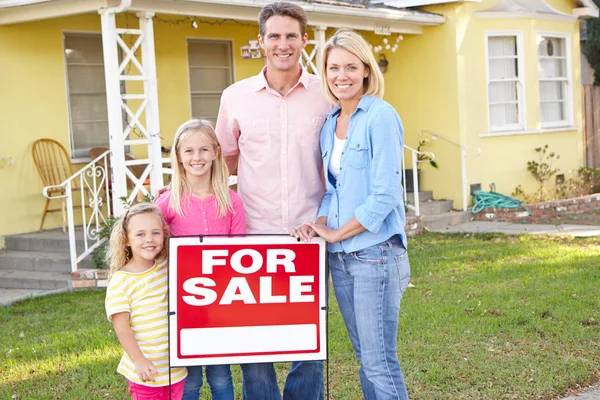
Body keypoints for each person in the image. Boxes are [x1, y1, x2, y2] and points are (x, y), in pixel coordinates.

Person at [215, 2, 330, 399]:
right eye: (275, 36)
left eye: (291, 36)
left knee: (309, 342)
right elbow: (223, 163)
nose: (283, 44)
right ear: (261, 41)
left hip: (310, 234)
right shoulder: (235, 97)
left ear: (304, 40)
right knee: (255, 341)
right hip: (252, 236)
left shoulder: (325, 94)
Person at [296, 29, 411, 400]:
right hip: (343, 259)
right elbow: (333, 190)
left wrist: (337, 233)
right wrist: (319, 224)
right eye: (333, 67)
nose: (341, 75)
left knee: (379, 362)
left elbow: (385, 194)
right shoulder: (331, 123)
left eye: (350, 66)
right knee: (365, 358)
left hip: (375, 253)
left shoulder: (380, 115)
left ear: (365, 70)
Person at [155, 118, 246, 400]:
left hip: (221, 303)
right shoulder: (167, 203)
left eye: (204, 150)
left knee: (221, 376)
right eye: (189, 151)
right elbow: (154, 252)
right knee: (189, 379)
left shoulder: (232, 201)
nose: (197, 157)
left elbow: (240, 254)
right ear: (179, 157)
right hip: (183, 305)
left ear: (216, 152)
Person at [105, 202, 187, 400]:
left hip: (173, 367)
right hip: (145, 369)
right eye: (140, 234)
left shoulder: (167, 266)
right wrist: (139, 360)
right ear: (126, 239)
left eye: (156, 233)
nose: (149, 239)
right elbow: (122, 326)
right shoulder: (122, 280)